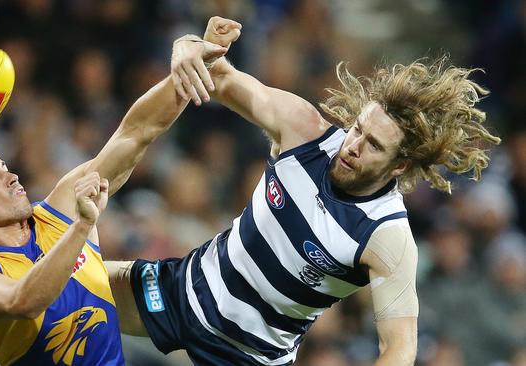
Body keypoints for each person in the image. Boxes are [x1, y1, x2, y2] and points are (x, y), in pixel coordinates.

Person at [106, 16, 502, 366]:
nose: (354, 146)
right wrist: (189, 46)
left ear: (399, 166)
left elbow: (399, 349)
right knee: (57, 288)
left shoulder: (387, 236)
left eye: (374, 146)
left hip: (249, 357)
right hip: (183, 290)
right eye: (358, 129)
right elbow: (219, 76)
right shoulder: (304, 131)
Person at [0, 42, 229, 366]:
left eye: (5, 167)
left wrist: (191, 68)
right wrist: (82, 227)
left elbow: (136, 132)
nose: (12, 176)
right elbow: (22, 301)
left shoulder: (59, 208)